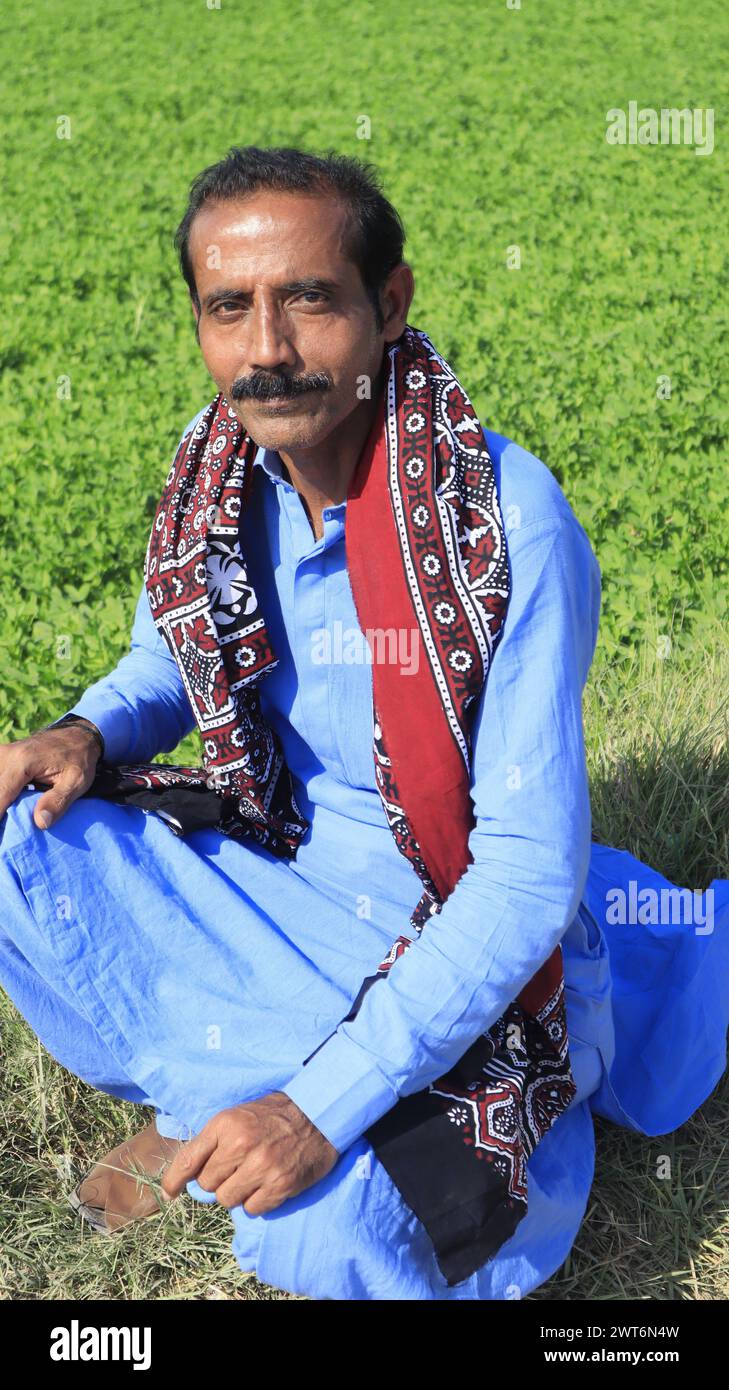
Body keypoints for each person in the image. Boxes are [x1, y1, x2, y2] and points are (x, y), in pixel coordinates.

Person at [1, 146, 727, 1301]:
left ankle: (249, 1094)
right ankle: (209, 1094)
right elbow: (167, 659)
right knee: (25, 839)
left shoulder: (506, 528)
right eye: (228, 308)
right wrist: (88, 732)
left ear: (389, 306)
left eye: (309, 300)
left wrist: (312, 1113)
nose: (266, 350)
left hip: (453, 924)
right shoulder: (214, 477)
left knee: (323, 1237)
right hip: (287, 868)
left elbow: (527, 878)